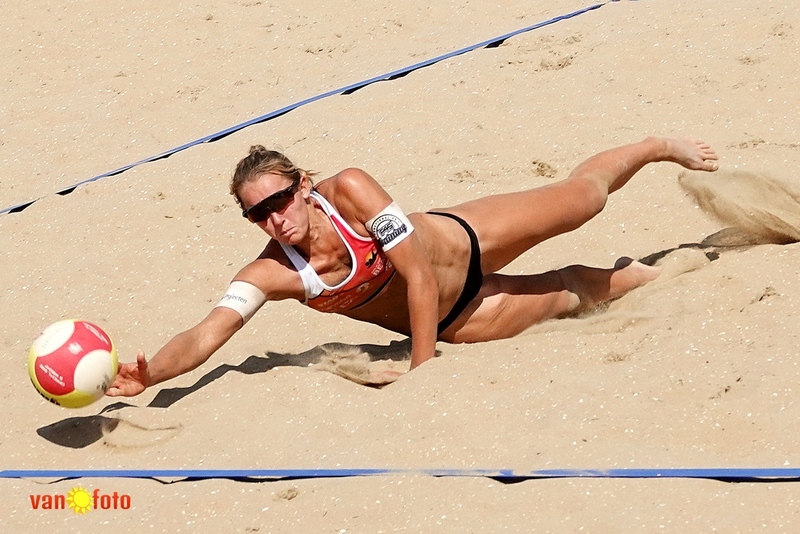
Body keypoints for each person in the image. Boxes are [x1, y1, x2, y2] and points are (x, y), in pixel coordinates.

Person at [107, 136, 719, 397]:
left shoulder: (349, 190)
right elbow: (206, 334)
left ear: (303, 185)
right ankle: (638, 272)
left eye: (278, 199)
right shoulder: (273, 272)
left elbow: (419, 274)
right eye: (257, 214)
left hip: (465, 242)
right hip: (458, 317)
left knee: (585, 198)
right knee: (579, 293)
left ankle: (655, 146)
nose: (274, 218)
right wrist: (151, 374)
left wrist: (420, 370)